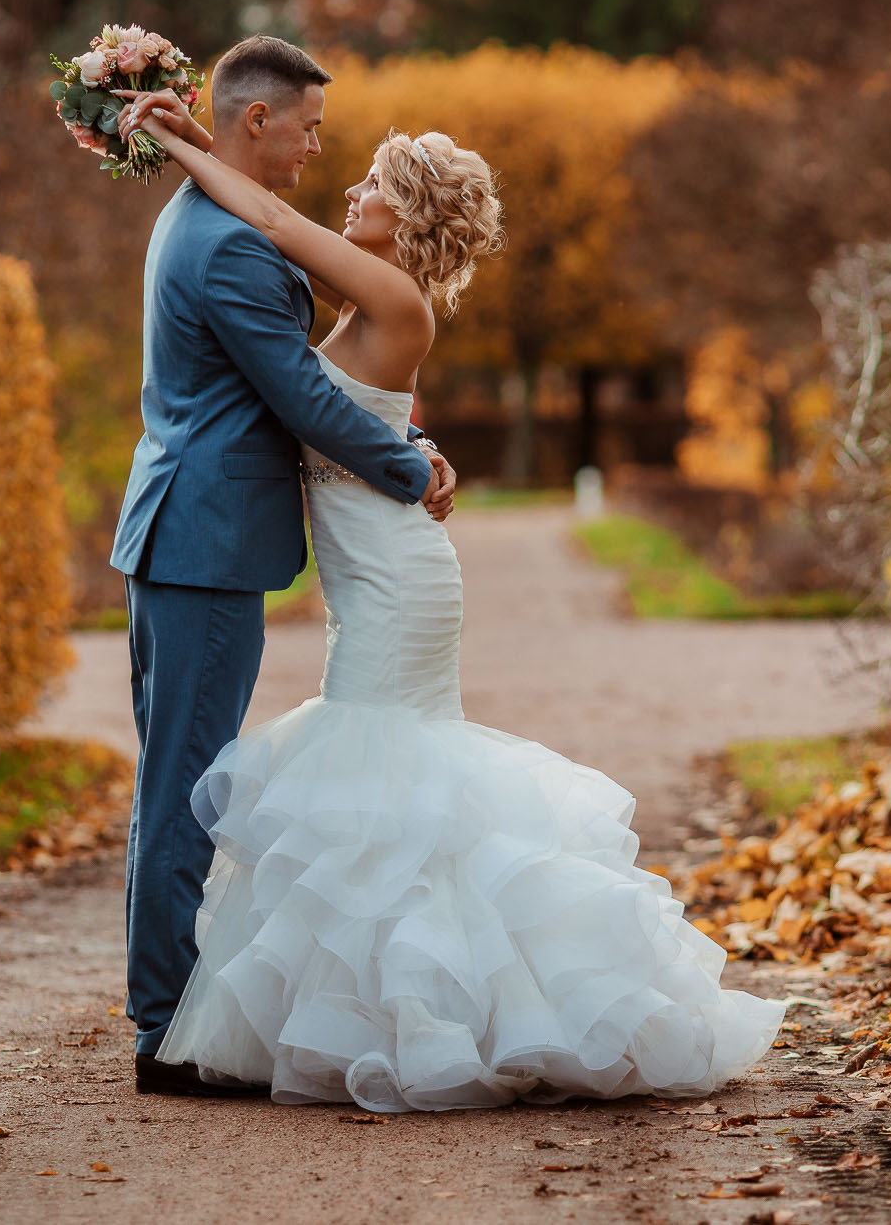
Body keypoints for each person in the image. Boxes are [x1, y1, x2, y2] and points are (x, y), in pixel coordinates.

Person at [116, 59, 785, 1112]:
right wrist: (414, 449)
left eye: (371, 181)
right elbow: (316, 366)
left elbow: (278, 271)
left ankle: (413, 1009)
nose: (342, 183)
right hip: (335, 554)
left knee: (394, 780)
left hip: (391, 573)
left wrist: (180, 143)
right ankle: (294, 1010)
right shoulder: (346, 274)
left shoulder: (387, 293)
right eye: (324, 141)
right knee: (373, 787)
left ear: (408, 211)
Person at [110, 36, 458, 1098]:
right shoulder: (229, 244)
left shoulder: (203, 217)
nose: (319, 149)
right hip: (203, 541)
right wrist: (409, 466)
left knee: (173, 776)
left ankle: (163, 1009)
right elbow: (302, 400)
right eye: (307, 128)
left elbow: (327, 388)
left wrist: (404, 437)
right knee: (183, 784)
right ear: (251, 120)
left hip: (183, 531)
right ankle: (166, 1030)